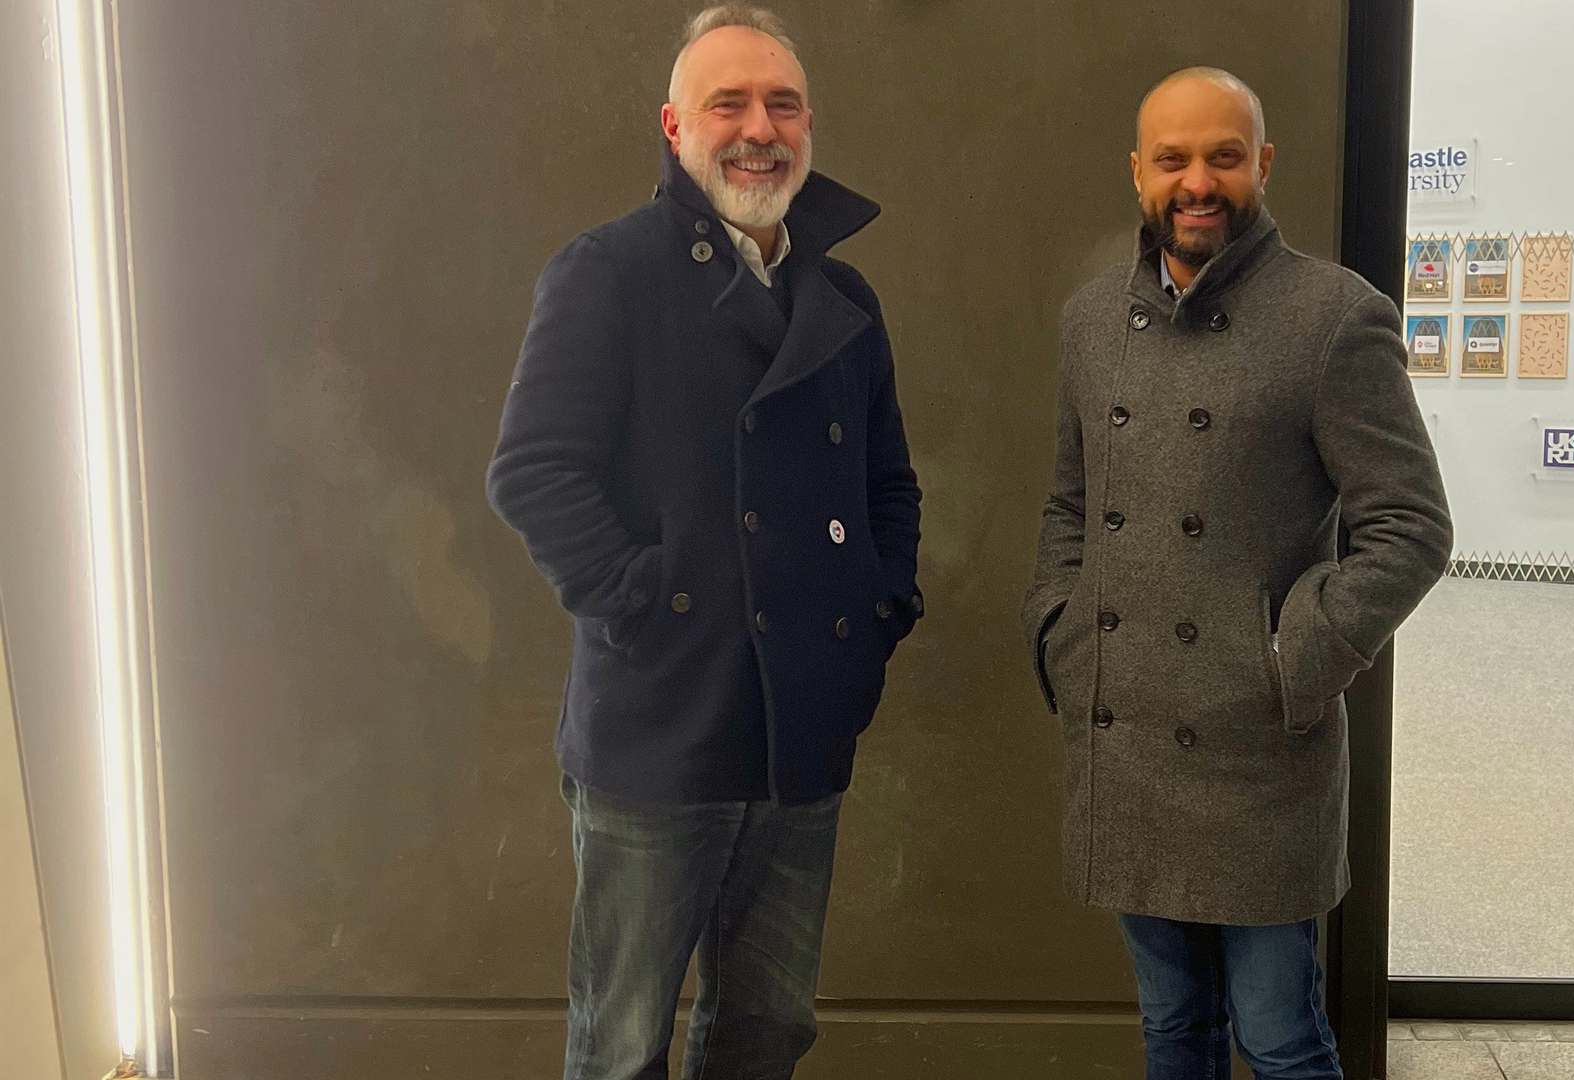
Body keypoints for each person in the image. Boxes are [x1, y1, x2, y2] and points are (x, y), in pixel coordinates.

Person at [485, 7, 922, 1077]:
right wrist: (646, 600)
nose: (756, 127)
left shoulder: (844, 296)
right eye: (728, 102)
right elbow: (532, 470)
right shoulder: (607, 272)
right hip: (658, 727)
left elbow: (887, 485)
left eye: (780, 102)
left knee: (765, 1035)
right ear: (675, 126)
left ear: (810, 124)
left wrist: (871, 616)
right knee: (622, 1041)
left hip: (799, 734)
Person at [1022, 67, 1452, 1080]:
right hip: (1125, 734)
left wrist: (1294, 656)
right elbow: (1069, 505)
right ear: (1139, 173)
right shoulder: (1090, 323)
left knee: (1281, 1037)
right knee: (1173, 1027)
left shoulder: (1332, 316)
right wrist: (1061, 626)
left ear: (1262, 164)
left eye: (1223, 155)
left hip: (1258, 754)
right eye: (1172, 159)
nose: (1198, 181)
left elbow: (1412, 527)